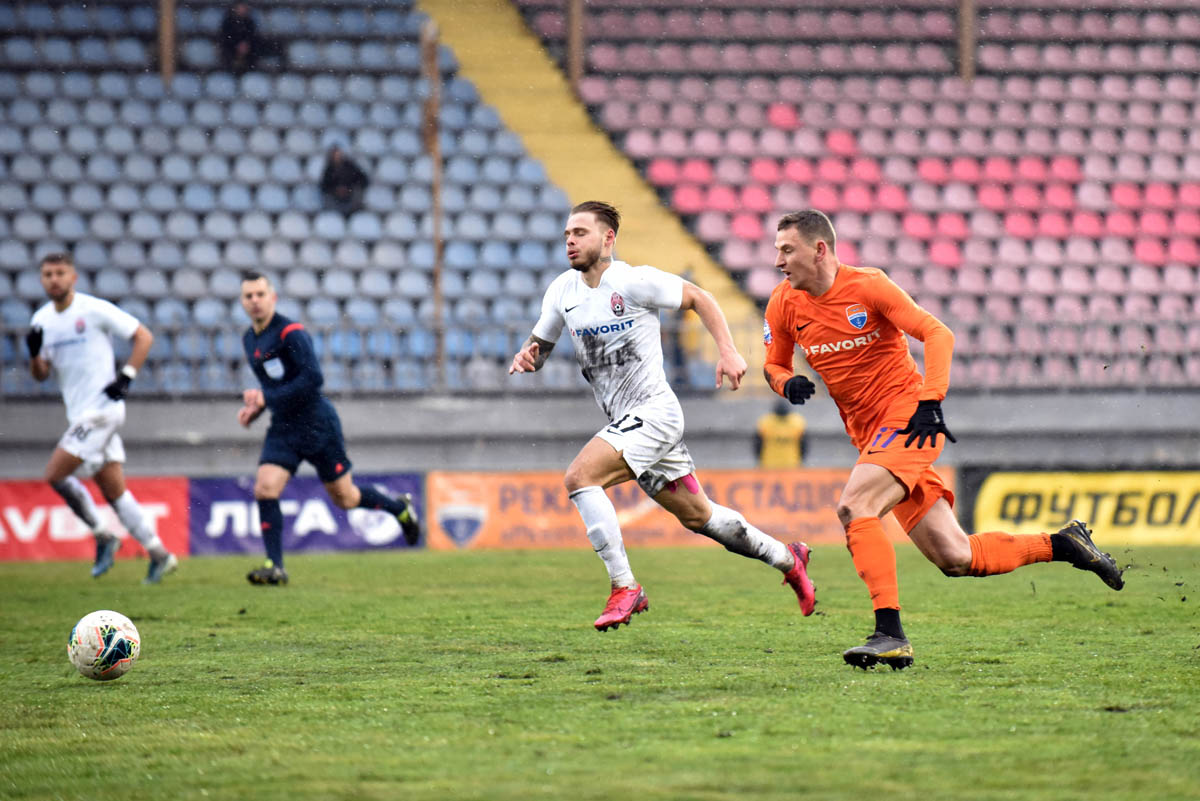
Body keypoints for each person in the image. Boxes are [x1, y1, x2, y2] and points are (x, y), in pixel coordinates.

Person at [762, 210, 1124, 670]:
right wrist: (786, 382)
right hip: (870, 436)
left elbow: (937, 333)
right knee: (956, 557)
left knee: (855, 507)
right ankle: (1065, 545)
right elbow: (773, 364)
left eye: (786, 249)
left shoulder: (869, 286)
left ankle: (889, 634)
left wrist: (931, 400)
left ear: (819, 249)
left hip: (909, 419)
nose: (778, 261)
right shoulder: (783, 303)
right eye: (777, 250)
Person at [508, 200, 815, 631]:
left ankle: (625, 587)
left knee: (580, 478)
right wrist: (529, 357)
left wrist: (728, 352)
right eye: (567, 235)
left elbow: (700, 297)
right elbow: (540, 347)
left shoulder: (634, 281)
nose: (570, 241)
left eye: (580, 233)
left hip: (654, 412)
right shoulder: (562, 291)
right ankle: (788, 558)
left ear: (608, 239)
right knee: (701, 517)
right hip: (627, 423)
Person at [237, 271, 420, 584]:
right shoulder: (249, 339)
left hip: (316, 424)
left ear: (273, 297)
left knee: (345, 498)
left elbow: (313, 379)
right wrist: (258, 409)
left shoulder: (291, 333)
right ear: (242, 302)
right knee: (265, 487)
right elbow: (275, 386)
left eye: (260, 294)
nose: (255, 301)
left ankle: (398, 508)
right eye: (248, 296)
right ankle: (275, 566)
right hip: (284, 426)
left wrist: (267, 398)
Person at [26, 253, 179, 583]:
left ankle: (102, 534)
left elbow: (143, 336)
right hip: (79, 414)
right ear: (41, 280)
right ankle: (160, 554)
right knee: (114, 491)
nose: (54, 279)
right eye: (48, 274)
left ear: (73, 277)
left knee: (55, 474)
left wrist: (126, 377)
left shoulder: (93, 309)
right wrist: (34, 354)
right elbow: (40, 375)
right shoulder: (42, 320)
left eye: (60, 273)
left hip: (102, 410)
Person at [218, 2, 282, 73]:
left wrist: (246, 45)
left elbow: (252, 36)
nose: (242, 10)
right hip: (231, 51)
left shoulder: (250, 22)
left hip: (249, 52)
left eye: (244, 8)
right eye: (240, 8)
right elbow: (225, 38)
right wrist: (236, 46)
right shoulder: (228, 22)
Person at [755, 398, 807, 468]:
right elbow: (804, 445)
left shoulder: (766, 422)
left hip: (770, 464)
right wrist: (802, 459)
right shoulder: (797, 422)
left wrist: (759, 459)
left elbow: (758, 445)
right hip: (791, 463)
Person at [319, 145, 369, 216]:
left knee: (358, 193)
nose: (337, 157)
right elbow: (324, 186)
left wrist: (350, 188)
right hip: (335, 197)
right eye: (335, 155)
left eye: (338, 155)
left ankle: (355, 212)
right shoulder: (329, 169)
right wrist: (335, 190)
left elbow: (363, 179)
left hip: (350, 194)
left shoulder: (350, 166)